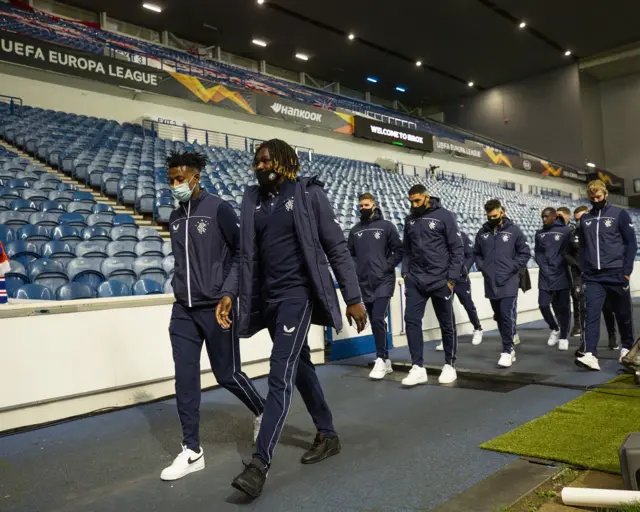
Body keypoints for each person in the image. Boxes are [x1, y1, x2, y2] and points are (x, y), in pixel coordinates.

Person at [216, 139, 367, 498]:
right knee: (300, 367)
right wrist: (228, 292)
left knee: (279, 372)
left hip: (296, 296)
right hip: (266, 301)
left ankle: (259, 464)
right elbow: (243, 257)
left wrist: (354, 296)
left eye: (267, 159)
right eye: (256, 160)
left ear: (285, 161)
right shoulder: (252, 200)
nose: (260, 165)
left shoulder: (308, 194)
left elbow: (335, 246)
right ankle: (327, 434)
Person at [160, 150, 265, 482]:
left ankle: (264, 411)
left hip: (217, 307)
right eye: (171, 180)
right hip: (183, 311)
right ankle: (192, 450)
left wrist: (229, 293)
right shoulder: (175, 218)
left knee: (227, 374)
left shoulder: (218, 208)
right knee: (185, 379)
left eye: (181, 179)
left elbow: (242, 253)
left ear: (196, 177)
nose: (176, 184)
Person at [401, 183, 464, 386]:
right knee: (411, 320)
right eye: (411, 201)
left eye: (417, 200)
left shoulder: (444, 216)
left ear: (427, 197)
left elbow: (456, 249)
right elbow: (406, 250)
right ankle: (418, 367)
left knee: (446, 324)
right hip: (416, 280)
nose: (414, 205)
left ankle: (450, 365)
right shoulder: (409, 220)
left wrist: (451, 279)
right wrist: (406, 273)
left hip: (440, 280)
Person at [575, 180, 637, 371]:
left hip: (617, 273)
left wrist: (626, 272)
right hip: (593, 277)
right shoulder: (585, 219)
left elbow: (631, 244)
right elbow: (583, 247)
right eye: (592, 198)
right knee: (591, 314)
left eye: (598, 197)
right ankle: (590, 354)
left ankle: (627, 348)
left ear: (606, 194)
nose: (595, 200)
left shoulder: (620, 214)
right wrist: (584, 270)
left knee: (623, 313)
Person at [348, 192, 404, 380]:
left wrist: (387, 266)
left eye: (366, 205)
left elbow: (399, 250)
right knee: (375, 320)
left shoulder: (387, 227)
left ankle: (380, 359)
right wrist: (358, 270)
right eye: (361, 205)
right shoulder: (355, 231)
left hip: (384, 281)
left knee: (378, 318)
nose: (363, 208)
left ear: (374, 205)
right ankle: (386, 361)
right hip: (365, 283)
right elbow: (350, 255)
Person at [474, 199, 531, 368]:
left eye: (495, 215)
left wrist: (512, 267)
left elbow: (525, 253)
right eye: (489, 216)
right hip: (490, 282)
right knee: (499, 317)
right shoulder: (482, 233)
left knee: (506, 315)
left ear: (502, 212)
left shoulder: (514, 231)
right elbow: (476, 253)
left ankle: (507, 350)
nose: (492, 218)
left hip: (509, 281)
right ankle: (508, 346)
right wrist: (483, 267)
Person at [436, 230, 483, 350]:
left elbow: (470, 254)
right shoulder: (438, 237)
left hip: (461, 279)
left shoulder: (461, 236)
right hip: (445, 279)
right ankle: (448, 338)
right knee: (445, 309)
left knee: (468, 304)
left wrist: (465, 269)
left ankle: (477, 328)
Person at [534, 207, 572, 351]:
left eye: (546, 216)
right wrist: (542, 265)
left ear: (554, 217)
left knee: (564, 307)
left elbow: (569, 251)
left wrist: (560, 264)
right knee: (543, 304)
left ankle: (563, 337)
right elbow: (537, 252)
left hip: (561, 274)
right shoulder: (539, 233)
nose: (544, 219)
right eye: (542, 217)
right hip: (544, 274)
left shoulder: (566, 231)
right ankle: (555, 328)